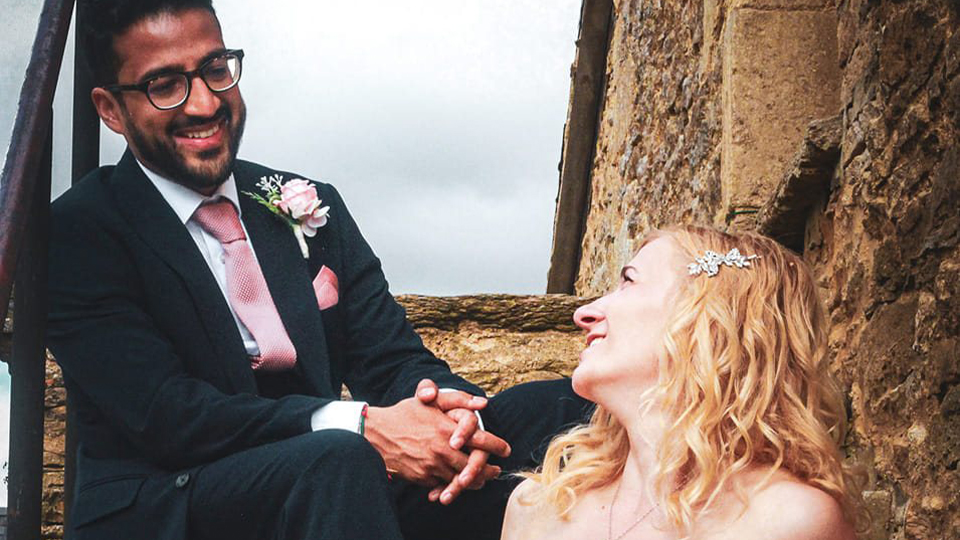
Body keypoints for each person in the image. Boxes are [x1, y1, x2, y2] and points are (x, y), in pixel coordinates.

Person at [46, 1, 589, 539]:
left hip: (332, 483)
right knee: (338, 459)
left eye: (215, 69)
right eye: (165, 85)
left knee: (554, 410)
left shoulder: (307, 202)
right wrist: (362, 425)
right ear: (111, 110)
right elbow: (169, 417)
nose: (205, 103)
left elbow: (393, 359)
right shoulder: (80, 232)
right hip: (173, 502)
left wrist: (456, 419)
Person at [502, 226, 864, 540]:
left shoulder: (790, 521)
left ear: (707, 318)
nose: (584, 313)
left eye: (628, 281)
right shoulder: (533, 509)